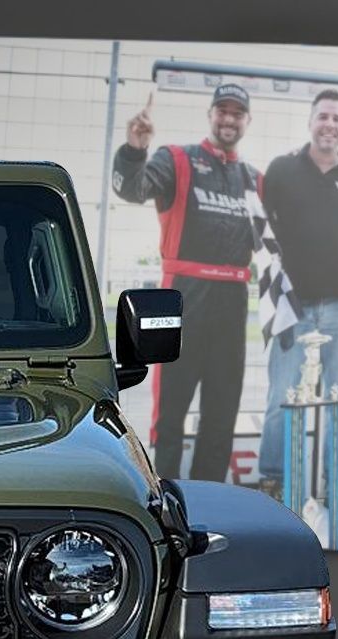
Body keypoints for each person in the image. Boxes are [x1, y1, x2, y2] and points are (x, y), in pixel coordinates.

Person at [112, 83, 258, 481]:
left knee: (222, 409)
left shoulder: (253, 179)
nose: (229, 119)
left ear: (247, 121)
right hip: (184, 298)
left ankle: (212, 496)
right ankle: (167, 496)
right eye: (222, 111)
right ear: (211, 115)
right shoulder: (176, 159)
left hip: (233, 302)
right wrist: (133, 151)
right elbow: (132, 188)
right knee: (171, 410)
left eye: (237, 113)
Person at [257, 89, 338, 519]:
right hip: (292, 302)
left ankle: (336, 483)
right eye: (324, 116)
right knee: (281, 397)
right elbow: (258, 230)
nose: (330, 124)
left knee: (337, 399)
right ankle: (271, 479)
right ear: (311, 121)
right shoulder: (283, 169)